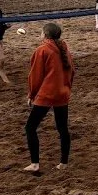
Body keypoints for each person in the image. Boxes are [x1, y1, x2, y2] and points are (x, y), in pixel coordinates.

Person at [23, 22, 74, 173]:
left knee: (30, 127)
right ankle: (63, 163)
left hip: (47, 94)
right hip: (62, 93)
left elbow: (35, 76)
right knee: (62, 128)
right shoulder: (64, 48)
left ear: (45, 35)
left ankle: (35, 164)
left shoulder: (42, 50)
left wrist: (31, 94)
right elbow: (72, 71)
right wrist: (67, 88)